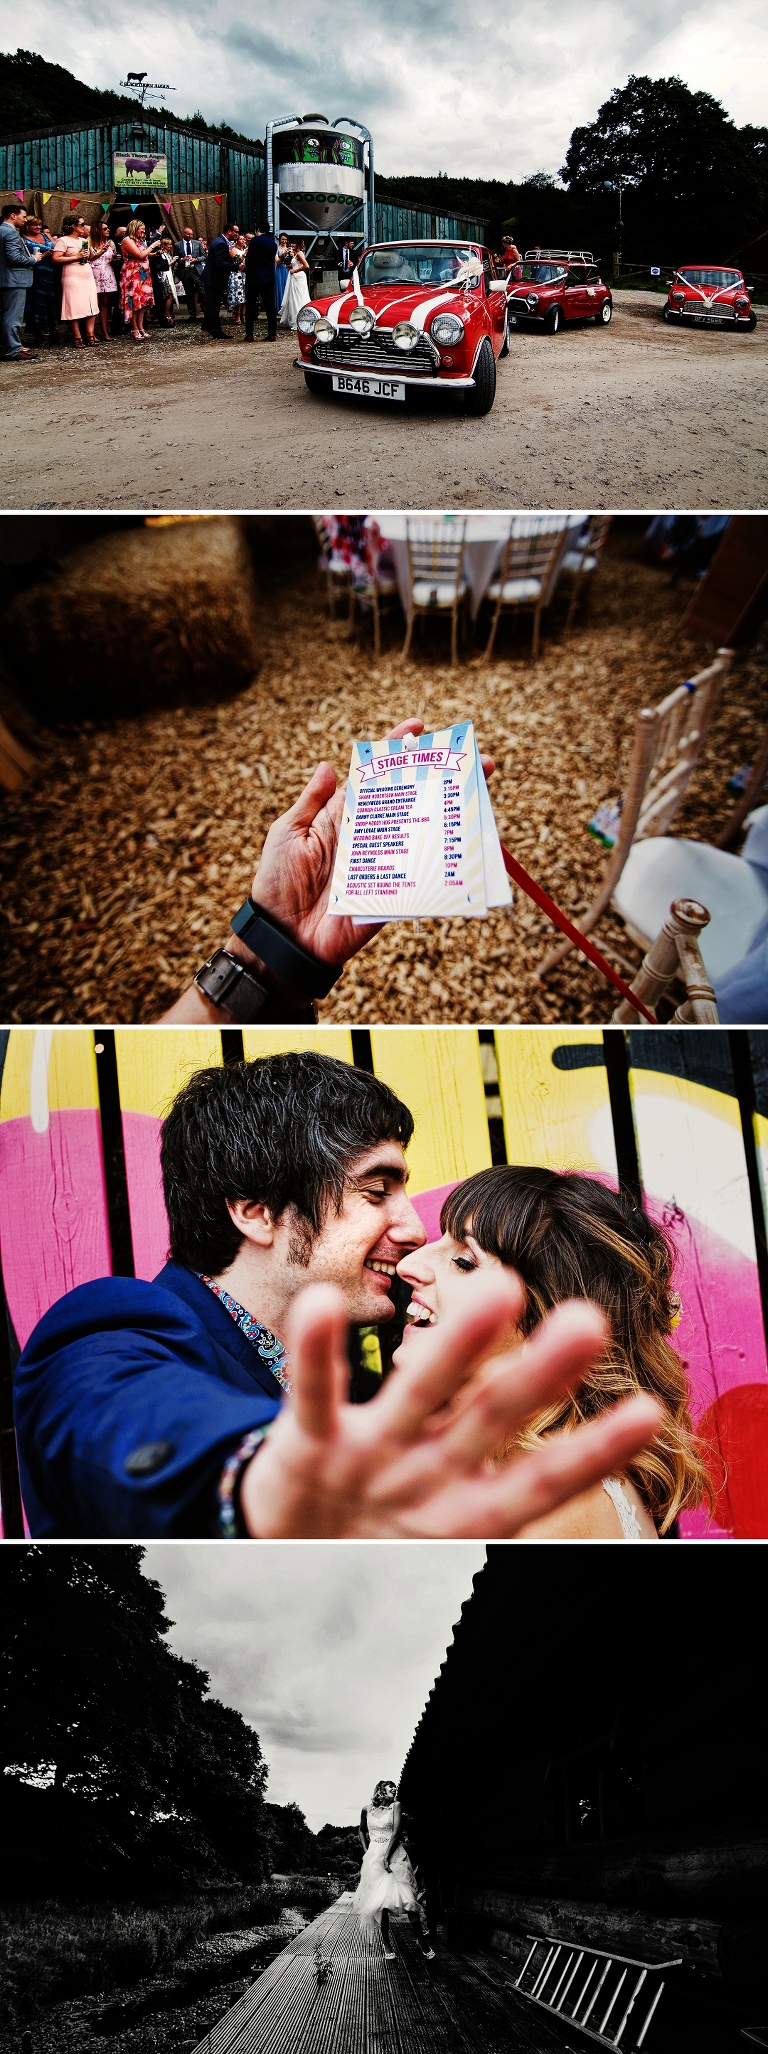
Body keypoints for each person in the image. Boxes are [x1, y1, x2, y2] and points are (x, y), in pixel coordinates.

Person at [14, 1044, 663, 1542]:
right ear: (258, 1211)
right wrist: (252, 1479)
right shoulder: (117, 1329)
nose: (411, 1232)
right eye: (377, 1192)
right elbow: (127, 1421)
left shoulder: (353, 1394)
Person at [394, 1167, 714, 1539]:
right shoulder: (531, 1477)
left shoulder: (550, 1502)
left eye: (465, 1261)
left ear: (550, 1328)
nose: (408, 1265)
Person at [354, 1781, 434, 1959]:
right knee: (379, 1904)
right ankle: (386, 1944)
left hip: (394, 1855)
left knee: (407, 1898)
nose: (394, 1789)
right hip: (373, 1858)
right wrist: (367, 1851)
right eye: (391, 1787)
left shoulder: (395, 1806)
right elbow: (360, 1830)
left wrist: (386, 1856)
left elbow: (397, 1833)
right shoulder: (366, 1810)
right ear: (381, 1790)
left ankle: (421, 1940)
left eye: (395, 1788)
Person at [0, 200, 41, 361]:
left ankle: (6, 346)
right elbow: (13, 257)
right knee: (13, 317)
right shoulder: (10, 232)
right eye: (23, 217)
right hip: (14, 279)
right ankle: (13, 349)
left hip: (4, 279)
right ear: (13, 215)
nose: (25, 220)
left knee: (3, 315)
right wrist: (33, 259)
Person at [53, 216, 99, 346]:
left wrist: (94, 252)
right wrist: (76, 257)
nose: (84, 226)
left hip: (86, 273)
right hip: (72, 274)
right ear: (73, 226)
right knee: (74, 304)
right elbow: (56, 258)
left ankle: (90, 335)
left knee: (90, 304)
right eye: (82, 224)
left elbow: (90, 257)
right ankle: (77, 337)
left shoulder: (83, 240)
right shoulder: (63, 240)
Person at [119, 218, 160, 340]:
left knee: (142, 302)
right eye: (141, 230)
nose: (143, 232)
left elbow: (145, 254)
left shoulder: (140, 241)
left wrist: (155, 253)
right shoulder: (127, 240)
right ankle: (134, 329)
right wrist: (153, 246)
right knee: (135, 302)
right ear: (134, 229)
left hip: (143, 275)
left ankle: (141, 327)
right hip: (132, 274)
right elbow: (139, 255)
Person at [21, 215, 58, 347]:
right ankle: (38, 333)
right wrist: (44, 255)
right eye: (34, 225)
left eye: (39, 225)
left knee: (51, 301)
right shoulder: (23, 238)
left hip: (50, 273)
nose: (38, 227)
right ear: (27, 226)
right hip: (35, 273)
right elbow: (23, 256)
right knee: (37, 302)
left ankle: (53, 330)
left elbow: (55, 246)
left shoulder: (45, 235)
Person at [203, 223, 241, 339]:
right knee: (214, 305)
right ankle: (216, 330)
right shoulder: (220, 243)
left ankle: (206, 325)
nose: (237, 235)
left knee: (212, 304)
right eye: (236, 232)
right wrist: (236, 266)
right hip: (214, 279)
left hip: (212, 279)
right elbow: (218, 262)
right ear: (229, 231)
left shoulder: (220, 241)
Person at [245, 222, 278, 341]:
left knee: (250, 305)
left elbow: (250, 258)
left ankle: (249, 334)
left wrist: (246, 265)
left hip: (254, 277)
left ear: (258, 229)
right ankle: (272, 333)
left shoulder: (256, 241)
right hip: (268, 277)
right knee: (270, 306)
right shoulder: (273, 243)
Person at [88, 219, 119, 342]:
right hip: (93, 273)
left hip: (107, 272)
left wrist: (115, 259)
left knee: (105, 304)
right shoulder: (89, 242)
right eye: (105, 229)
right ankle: (90, 332)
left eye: (108, 228)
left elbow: (111, 258)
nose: (108, 230)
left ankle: (104, 331)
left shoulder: (110, 243)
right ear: (98, 230)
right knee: (93, 303)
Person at [174, 222, 206, 321]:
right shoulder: (177, 245)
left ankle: (206, 313)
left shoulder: (197, 243)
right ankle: (192, 314)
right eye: (188, 234)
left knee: (202, 291)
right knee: (189, 293)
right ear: (183, 234)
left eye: (191, 234)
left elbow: (204, 255)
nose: (190, 236)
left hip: (196, 270)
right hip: (185, 271)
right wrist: (182, 259)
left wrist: (196, 259)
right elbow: (175, 258)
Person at [279, 239, 311, 330]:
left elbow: (306, 266)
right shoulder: (294, 253)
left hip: (298, 277)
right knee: (293, 298)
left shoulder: (300, 253)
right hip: (294, 276)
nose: (292, 244)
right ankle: (294, 318)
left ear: (298, 244)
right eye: (292, 243)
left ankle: (300, 319)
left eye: (294, 243)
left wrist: (294, 270)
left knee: (298, 297)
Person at [226, 235, 247, 324]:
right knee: (239, 295)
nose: (243, 241)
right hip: (236, 274)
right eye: (241, 239)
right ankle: (237, 315)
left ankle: (244, 315)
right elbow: (237, 262)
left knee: (245, 294)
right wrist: (245, 254)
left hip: (245, 273)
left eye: (244, 239)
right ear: (237, 241)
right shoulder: (233, 250)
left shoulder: (246, 249)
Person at [275, 232, 290, 312]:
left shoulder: (289, 249)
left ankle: (287, 308)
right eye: (282, 239)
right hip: (280, 269)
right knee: (280, 287)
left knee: (287, 287)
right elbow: (277, 261)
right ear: (280, 239)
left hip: (287, 269)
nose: (284, 241)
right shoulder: (276, 249)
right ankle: (280, 308)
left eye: (285, 240)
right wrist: (283, 254)